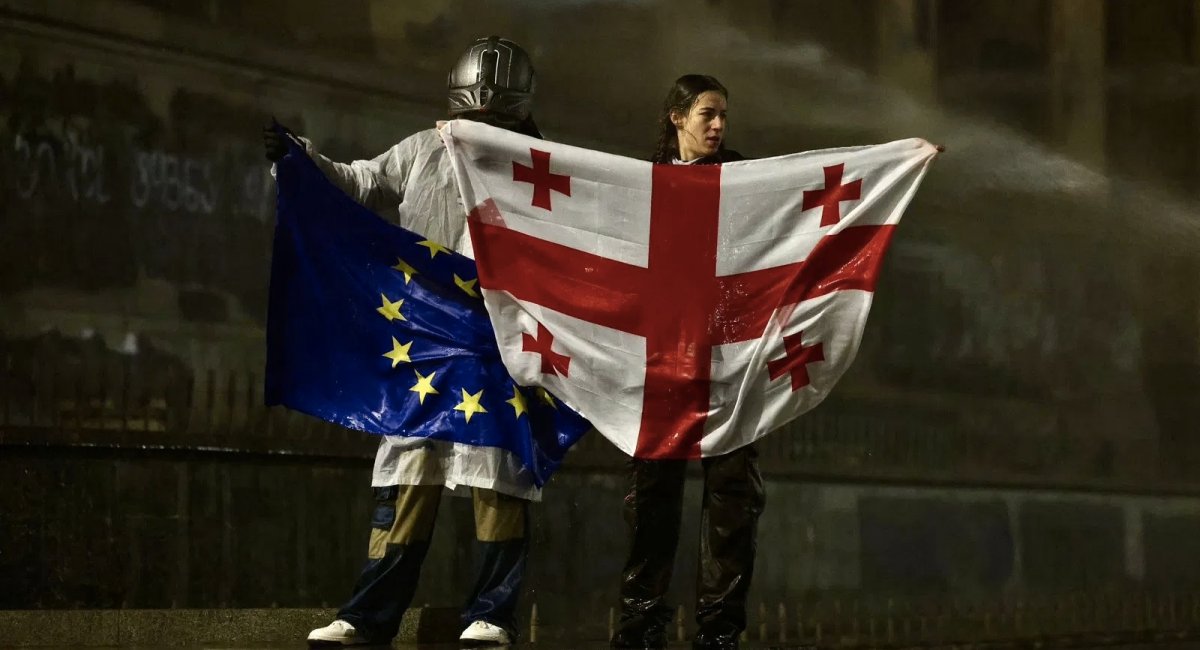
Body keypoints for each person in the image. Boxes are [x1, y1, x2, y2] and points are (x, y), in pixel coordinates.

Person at [264, 36, 543, 648]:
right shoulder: (424, 149)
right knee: (409, 478)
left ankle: (492, 615)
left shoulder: (537, 166)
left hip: (496, 346)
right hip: (423, 340)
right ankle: (369, 618)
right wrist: (297, 158)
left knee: (496, 479)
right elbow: (358, 183)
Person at [610, 74, 765, 650]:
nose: (719, 126)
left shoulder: (745, 180)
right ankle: (639, 630)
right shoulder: (641, 184)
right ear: (677, 117)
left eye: (724, 115)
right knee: (651, 500)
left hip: (728, 361)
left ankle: (720, 634)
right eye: (708, 114)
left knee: (733, 500)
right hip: (658, 364)